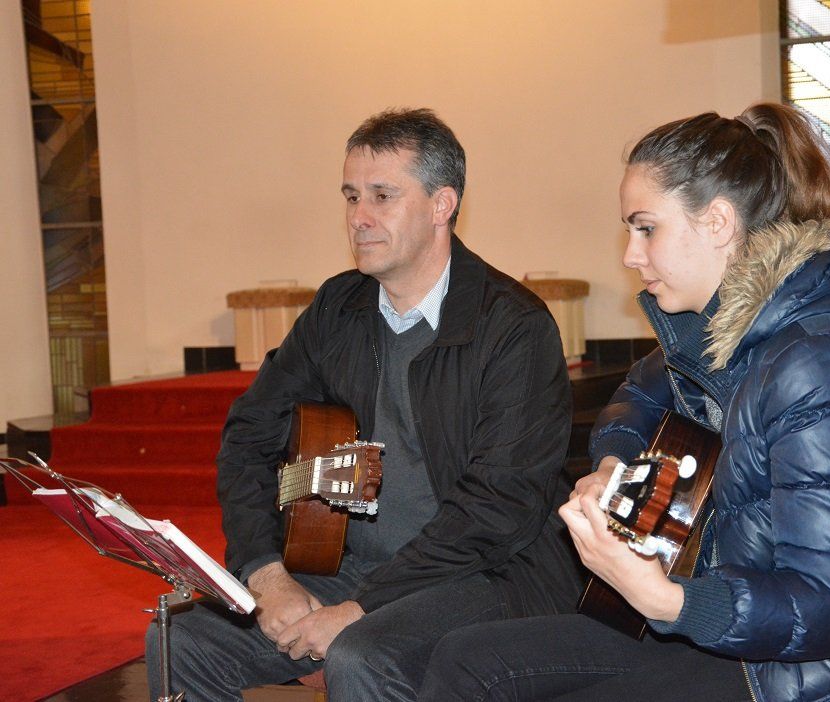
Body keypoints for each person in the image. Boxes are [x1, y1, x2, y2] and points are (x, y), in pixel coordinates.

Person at [418, 103, 830, 701]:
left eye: (645, 228)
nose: (629, 254)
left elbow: (826, 609)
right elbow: (636, 398)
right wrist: (611, 468)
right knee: (465, 661)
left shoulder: (822, 364)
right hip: (732, 618)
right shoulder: (717, 328)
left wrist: (663, 598)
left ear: (718, 222)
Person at [145, 108, 583, 701]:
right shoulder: (338, 307)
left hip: (487, 573)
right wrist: (265, 574)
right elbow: (248, 437)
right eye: (351, 197)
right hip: (352, 566)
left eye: (382, 196)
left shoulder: (513, 326)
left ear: (441, 204)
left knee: (362, 655)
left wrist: (360, 608)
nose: (359, 217)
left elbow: (499, 505)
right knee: (183, 640)